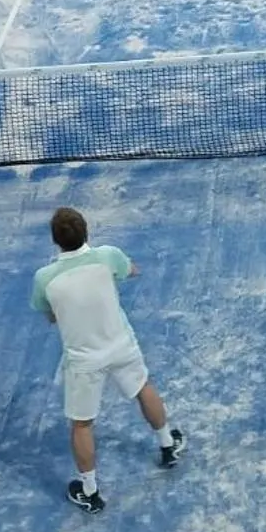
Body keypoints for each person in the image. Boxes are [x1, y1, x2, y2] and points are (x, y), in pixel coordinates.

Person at [31, 206, 185, 512]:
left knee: (82, 425)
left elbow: (49, 315)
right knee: (143, 388)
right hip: (121, 346)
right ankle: (168, 445)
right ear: (86, 232)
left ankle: (90, 491)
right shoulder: (107, 256)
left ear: (55, 241)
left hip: (84, 362)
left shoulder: (44, 279)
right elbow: (131, 270)